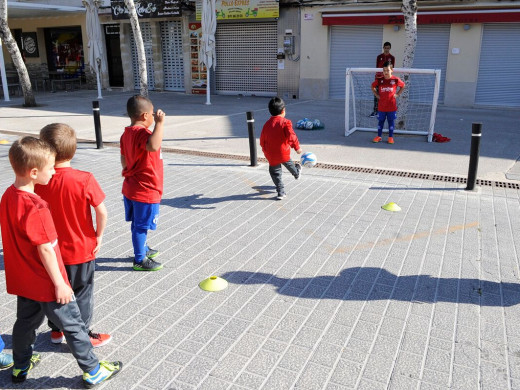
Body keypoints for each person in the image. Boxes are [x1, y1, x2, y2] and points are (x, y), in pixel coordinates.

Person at [0, 136, 121, 387]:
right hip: (47, 282)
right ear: (34, 172)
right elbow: (45, 248)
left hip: (24, 280)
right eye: (50, 167)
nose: (54, 171)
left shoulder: (8, 196)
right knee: (74, 324)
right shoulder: (37, 206)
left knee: (25, 324)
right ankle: (92, 370)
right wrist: (60, 283)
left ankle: (20, 366)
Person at [34, 123, 111, 348]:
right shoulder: (84, 178)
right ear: (74, 150)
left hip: (50, 252)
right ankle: (82, 333)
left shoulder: (40, 181)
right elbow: (102, 211)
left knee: (55, 292)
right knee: (82, 293)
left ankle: (56, 331)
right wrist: (99, 236)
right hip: (81, 250)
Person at [121, 95, 165, 271]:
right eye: (153, 114)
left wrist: (130, 171)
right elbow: (153, 146)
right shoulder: (142, 133)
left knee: (138, 223)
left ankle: (143, 248)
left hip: (132, 186)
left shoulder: (126, 133)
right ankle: (140, 259)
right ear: (145, 116)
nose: (154, 116)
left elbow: (123, 159)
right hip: (145, 190)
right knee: (141, 226)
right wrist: (160, 124)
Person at [260, 97, 303, 200]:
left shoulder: (266, 124)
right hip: (283, 153)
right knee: (289, 164)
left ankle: (281, 192)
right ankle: (296, 173)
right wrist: (297, 148)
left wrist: (266, 152)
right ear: (283, 110)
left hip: (271, 154)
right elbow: (291, 136)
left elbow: (262, 140)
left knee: (275, 173)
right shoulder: (285, 122)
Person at [371, 61, 405, 144]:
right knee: (381, 122)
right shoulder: (380, 80)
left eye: (388, 70)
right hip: (381, 107)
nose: (386, 72)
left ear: (392, 70)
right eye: (384, 70)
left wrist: (397, 94)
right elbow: (372, 86)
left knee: (391, 122)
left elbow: (403, 85)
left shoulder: (395, 79)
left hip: (391, 107)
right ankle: (379, 136)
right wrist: (377, 95)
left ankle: (390, 137)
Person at [370, 42, 396, 118]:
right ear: (383, 48)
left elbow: (392, 68)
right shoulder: (379, 57)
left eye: (388, 48)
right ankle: (375, 111)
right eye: (385, 48)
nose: (387, 49)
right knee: (376, 95)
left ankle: (385, 111)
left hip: (387, 80)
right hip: (378, 79)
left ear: (390, 48)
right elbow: (377, 67)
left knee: (386, 95)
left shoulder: (392, 57)